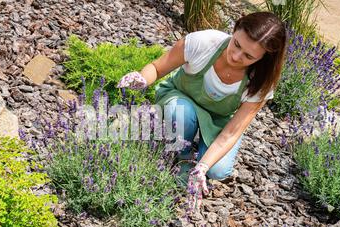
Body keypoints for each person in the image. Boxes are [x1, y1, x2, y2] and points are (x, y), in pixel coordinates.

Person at [117, 12, 287, 209]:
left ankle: (196, 165)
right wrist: (143, 78)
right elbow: (157, 67)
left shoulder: (261, 82)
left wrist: (203, 167)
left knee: (218, 171)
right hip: (181, 98)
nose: (236, 56)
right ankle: (184, 155)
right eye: (237, 44)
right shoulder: (204, 42)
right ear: (234, 30)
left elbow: (232, 132)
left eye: (248, 56)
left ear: (264, 58)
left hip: (217, 118)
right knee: (178, 112)